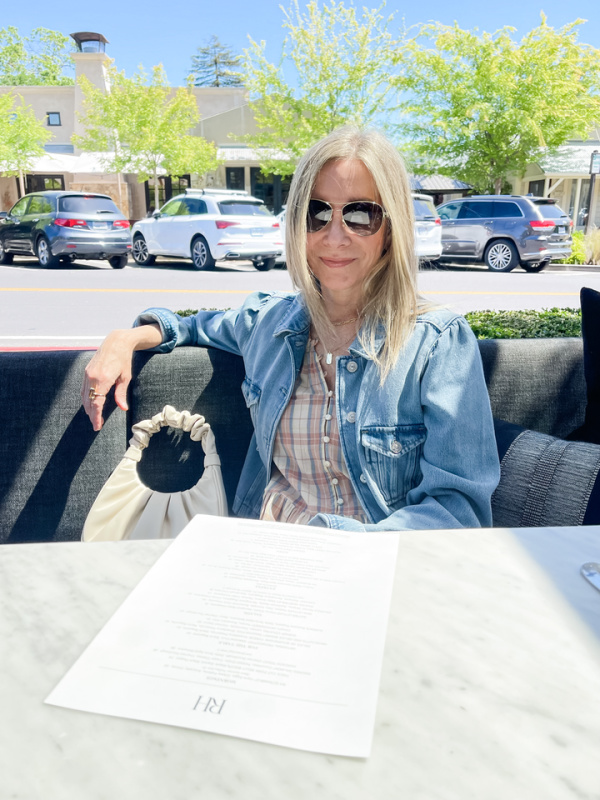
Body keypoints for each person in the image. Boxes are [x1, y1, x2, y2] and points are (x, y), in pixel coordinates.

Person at [82, 126, 500, 532]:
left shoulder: (437, 344)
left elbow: (459, 510)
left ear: (390, 231)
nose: (334, 237)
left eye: (360, 214)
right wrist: (128, 338)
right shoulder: (269, 323)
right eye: (316, 214)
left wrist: (336, 543)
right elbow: (194, 325)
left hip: (377, 567)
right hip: (267, 555)